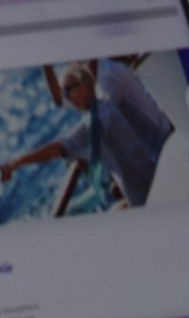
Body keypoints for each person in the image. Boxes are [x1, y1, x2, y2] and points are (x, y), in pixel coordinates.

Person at [0, 58, 175, 209]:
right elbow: (61, 101)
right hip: (156, 177)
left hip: (144, 197)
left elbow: (59, 148)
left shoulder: (96, 121)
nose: (67, 97)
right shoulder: (108, 104)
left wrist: (16, 163)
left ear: (84, 86)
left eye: (68, 91)